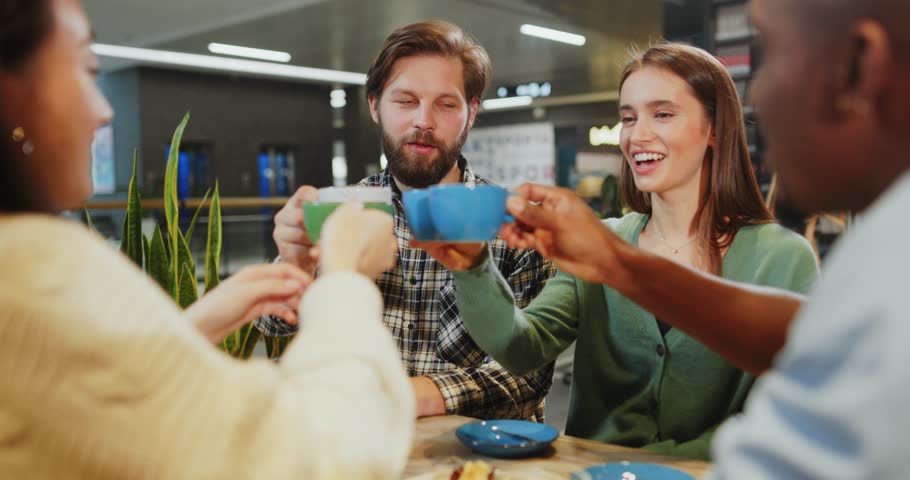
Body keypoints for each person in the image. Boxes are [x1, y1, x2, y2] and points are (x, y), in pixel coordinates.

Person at [0, 1, 414, 478]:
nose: (103, 110)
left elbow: (79, 395)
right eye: (85, 68)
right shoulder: (38, 270)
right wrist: (345, 276)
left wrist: (189, 328)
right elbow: (320, 456)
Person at [497, 0, 910, 475]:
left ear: (860, 67)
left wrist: (615, 262)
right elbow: (799, 336)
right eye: (628, 117)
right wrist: (614, 260)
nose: (760, 99)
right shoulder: (881, 259)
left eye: (773, 54)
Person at [416, 43, 818, 460]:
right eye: (628, 117)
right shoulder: (601, 240)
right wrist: (473, 265)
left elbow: (787, 409)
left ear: (715, 128)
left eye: (662, 114)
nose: (637, 134)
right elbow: (521, 348)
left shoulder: (783, 258)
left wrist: (666, 463)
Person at [258, 20, 556, 421]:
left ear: (471, 113)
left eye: (445, 104)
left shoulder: (511, 223)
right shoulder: (346, 212)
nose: (423, 121)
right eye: (405, 101)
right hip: (361, 451)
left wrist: (400, 395)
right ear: (375, 105)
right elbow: (272, 326)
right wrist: (296, 263)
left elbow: (527, 376)